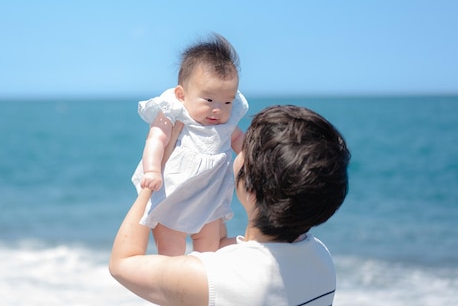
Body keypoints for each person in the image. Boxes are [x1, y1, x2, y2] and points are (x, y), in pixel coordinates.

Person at [110, 105, 350, 306]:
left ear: (251, 190)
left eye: (246, 150)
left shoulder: (215, 277)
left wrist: (157, 174)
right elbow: (229, 250)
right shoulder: (321, 258)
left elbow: (123, 264)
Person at [131, 33, 249, 255]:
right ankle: (172, 282)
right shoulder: (174, 113)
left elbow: (237, 139)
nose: (218, 109)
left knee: (209, 251)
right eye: (209, 100)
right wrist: (153, 170)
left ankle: (202, 281)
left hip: (210, 199)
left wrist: (252, 157)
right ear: (181, 94)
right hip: (172, 196)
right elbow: (155, 140)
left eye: (227, 101)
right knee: (171, 253)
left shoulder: (227, 121)